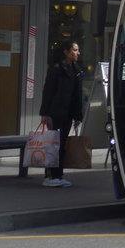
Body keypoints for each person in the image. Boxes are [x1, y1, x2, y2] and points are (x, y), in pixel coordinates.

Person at [39, 39, 83, 188]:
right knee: (54, 144)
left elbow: (77, 96)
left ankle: (58, 175)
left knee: (62, 144)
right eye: (74, 50)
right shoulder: (57, 69)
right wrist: (45, 113)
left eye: (77, 50)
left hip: (68, 113)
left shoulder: (76, 70)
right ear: (66, 52)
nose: (77, 53)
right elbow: (48, 91)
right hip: (56, 112)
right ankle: (51, 176)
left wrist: (78, 116)